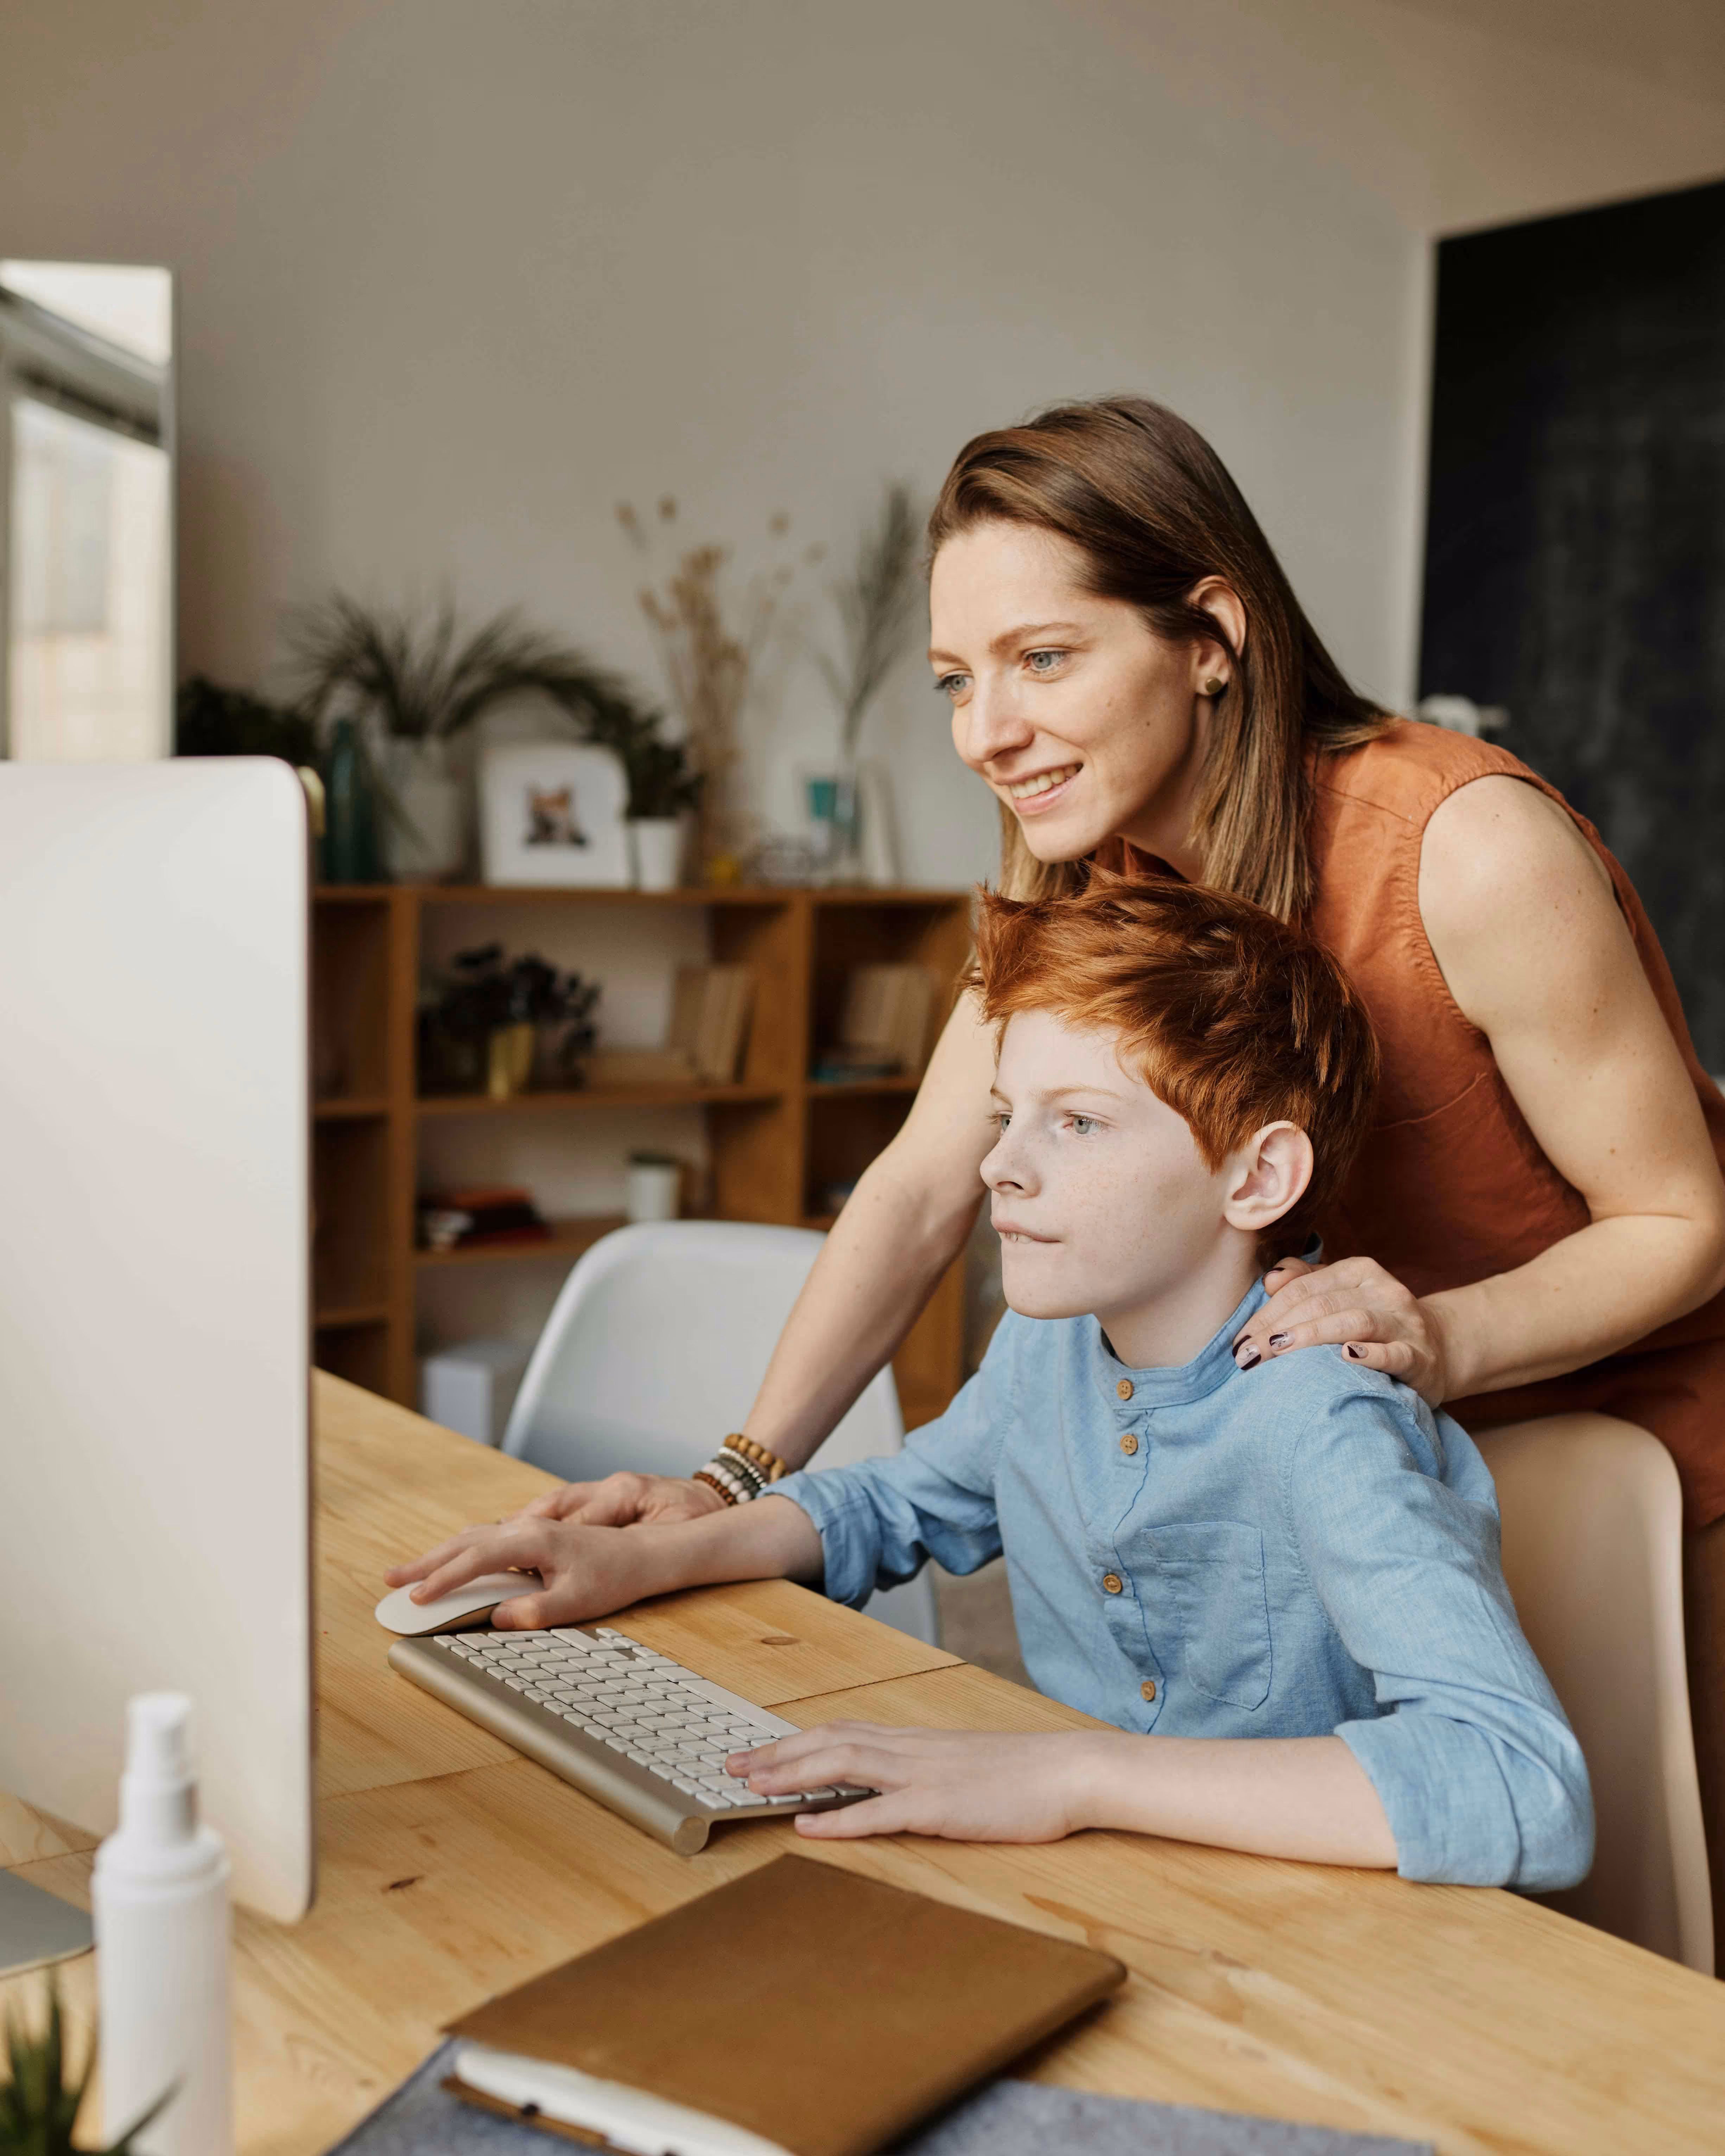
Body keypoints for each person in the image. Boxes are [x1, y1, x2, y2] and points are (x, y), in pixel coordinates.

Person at [519, 399, 1725, 1941]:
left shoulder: (1464, 847)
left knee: (1633, 1943)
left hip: (1611, 1452)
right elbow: (917, 1184)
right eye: (956, 679)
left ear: (1210, 635)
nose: (984, 732)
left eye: (1043, 658)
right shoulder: (1081, 876)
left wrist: (1439, 1334)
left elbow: (1684, 1221)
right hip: (1343, 1441)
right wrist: (721, 1482)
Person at [387, 878, 1593, 1888]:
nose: (997, 1167)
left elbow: (1518, 1781)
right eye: (1007, 1114)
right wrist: (655, 1553)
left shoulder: (1318, 1413)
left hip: (1310, 1925)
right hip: (1097, 1873)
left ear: (1256, 1176)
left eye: (1076, 1125)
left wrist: (1069, 1772)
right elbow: (901, 1502)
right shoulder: (1048, 1347)